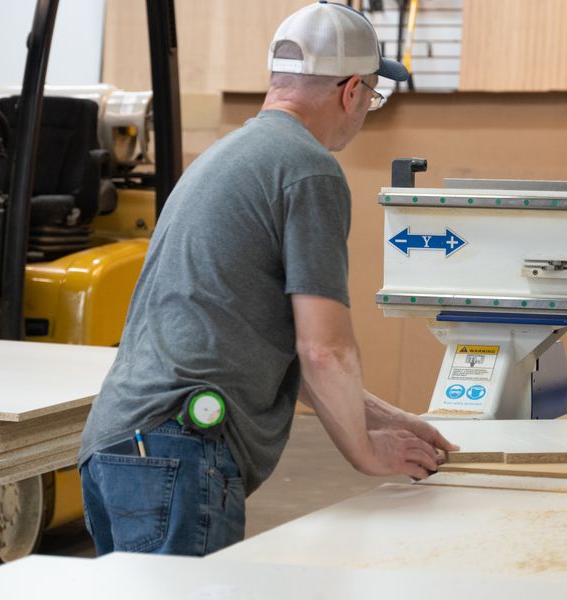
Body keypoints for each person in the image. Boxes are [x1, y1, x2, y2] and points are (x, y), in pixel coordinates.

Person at [77, 0, 458, 557]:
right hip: (179, 448)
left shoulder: (228, 155)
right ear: (351, 91)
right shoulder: (309, 170)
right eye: (373, 96)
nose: (366, 110)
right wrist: (365, 452)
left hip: (118, 445)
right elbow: (324, 349)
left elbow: (271, 349)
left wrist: (390, 418)